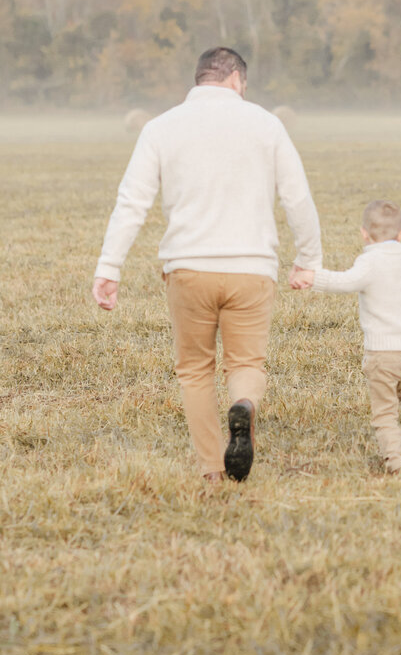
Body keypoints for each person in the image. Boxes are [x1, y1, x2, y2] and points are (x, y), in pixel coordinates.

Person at [92, 47, 322, 484]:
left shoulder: (160, 127)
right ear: (236, 78)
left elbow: (132, 202)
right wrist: (308, 259)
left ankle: (212, 471)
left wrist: (110, 267)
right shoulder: (266, 124)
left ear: (200, 79)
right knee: (246, 365)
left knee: (195, 371)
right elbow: (297, 197)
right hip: (252, 269)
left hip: (188, 269)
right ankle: (245, 406)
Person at [292, 200, 401, 474]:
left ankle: (397, 461)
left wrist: (312, 277)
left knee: (385, 412)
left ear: (363, 233)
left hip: (381, 353)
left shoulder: (368, 262)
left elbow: (343, 281)